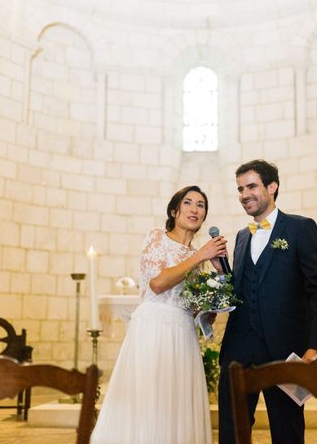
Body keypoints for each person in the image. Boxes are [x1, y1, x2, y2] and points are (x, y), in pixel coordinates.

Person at [91, 185, 227, 444]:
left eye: (201, 205)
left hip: (184, 334)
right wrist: (201, 255)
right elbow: (157, 283)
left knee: (176, 401)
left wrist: (218, 282)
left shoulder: (197, 256)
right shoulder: (157, 237)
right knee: (149, 399)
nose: (194, 209)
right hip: (153, 329)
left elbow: (197, 308)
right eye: (188, 203)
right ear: (175, 210)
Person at [218, 159, 317, 444]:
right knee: (232, 429)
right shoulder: (242, 237)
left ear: (272, 186)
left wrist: (316, 346)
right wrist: (221, 279)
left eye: (252, 186)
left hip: (285, 347)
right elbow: (243, 290)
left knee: (287, 430)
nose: (244, 194)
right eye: (240, 188)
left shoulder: (300, 228)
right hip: (239, 348)